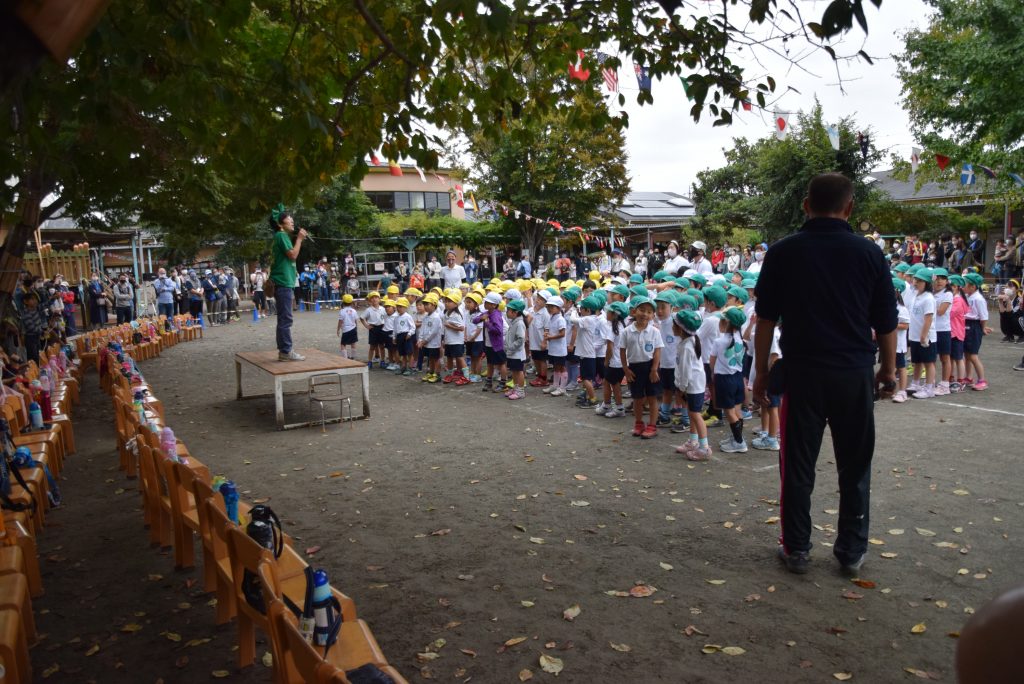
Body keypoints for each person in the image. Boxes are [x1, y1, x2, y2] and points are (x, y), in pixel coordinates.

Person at [753, 173, 898, 576]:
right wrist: (886, 369)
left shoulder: (783, 252)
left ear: (805, 204)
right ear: (849, 208)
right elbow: (885, 320)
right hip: (853, 372)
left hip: (802, 372)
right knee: (855, 465)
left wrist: (762, 371)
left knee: (797, 465)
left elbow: (766, 318)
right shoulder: (869, 254)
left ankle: (797, 547)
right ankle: (851, 550)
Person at [621, 296, 663, 439]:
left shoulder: (655, 332)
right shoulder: (627, 331)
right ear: (634, 311)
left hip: (651, 367)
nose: (645, 314)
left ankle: (652, 425)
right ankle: (638, 423)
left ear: (653, 315)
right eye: (642, 310)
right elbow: (622, 350)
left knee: (652, 397)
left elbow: (657, 351)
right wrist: (626, 369)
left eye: (649, 312)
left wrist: (654, 369)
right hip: (634, 368)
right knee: (637, 398)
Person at [269, 207, 307, 361]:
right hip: (283, 282)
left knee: (283, 319)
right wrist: (299, 239)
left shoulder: (280, 236)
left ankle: (284, 351)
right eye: (289, 219)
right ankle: (285, 351)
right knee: (286, 319)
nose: (292, 221)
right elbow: (292, 255)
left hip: (283, 282)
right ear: (280, 224)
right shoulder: (282, 235)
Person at [672, 309, 711, 461]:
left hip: (692, 386)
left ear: (680, 328)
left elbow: (685, 370)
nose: (672, 327)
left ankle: (704, 447)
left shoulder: (687, 346)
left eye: (674, 325)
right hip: (692, 384)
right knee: (691, 412)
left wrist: (681, 389)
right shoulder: (688, 342)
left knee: (695, 414)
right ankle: (693, 441)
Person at [711, 307, 749, 452]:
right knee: (737, 411)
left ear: (727, 323)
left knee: (729, 412)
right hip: (738, 378)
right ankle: (737, 437)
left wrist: (712, 376)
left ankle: (739, 442)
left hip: (724, 379)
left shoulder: (719, 341)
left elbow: (712, 361)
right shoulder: (742, 341)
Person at [962, 272, 991, 389]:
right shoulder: (968, 296)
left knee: (973, 355)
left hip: (974, 326)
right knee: (967, 354)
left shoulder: (978, 299)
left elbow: (983, 316)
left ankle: (982, 380)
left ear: (973, 286)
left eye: (964, 284)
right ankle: (968, 377)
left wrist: (983, 328)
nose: (962, 287)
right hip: (966, 325)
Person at [504, 299, 528, 399]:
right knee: (514, 371)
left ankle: (520, 391)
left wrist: (511, 347)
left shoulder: (519, 323)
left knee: (519, 371)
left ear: (515, 312)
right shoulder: (514, 322)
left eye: (509, 310)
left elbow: (521, 339)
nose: (507, 312)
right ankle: (515, 388)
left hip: (517, 353)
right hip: (512, 352)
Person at [336, 294, 358, 359]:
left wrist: (338, 329)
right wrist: (356, 327)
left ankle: (345, 358)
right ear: (351, 302)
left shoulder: (342, 311)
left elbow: (340, 321)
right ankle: (353, 357)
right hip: (353, 328)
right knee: (353, 343)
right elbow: (356, 320)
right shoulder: (354, 311)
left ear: (343, 302)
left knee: (343, 344)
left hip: (345, 329)